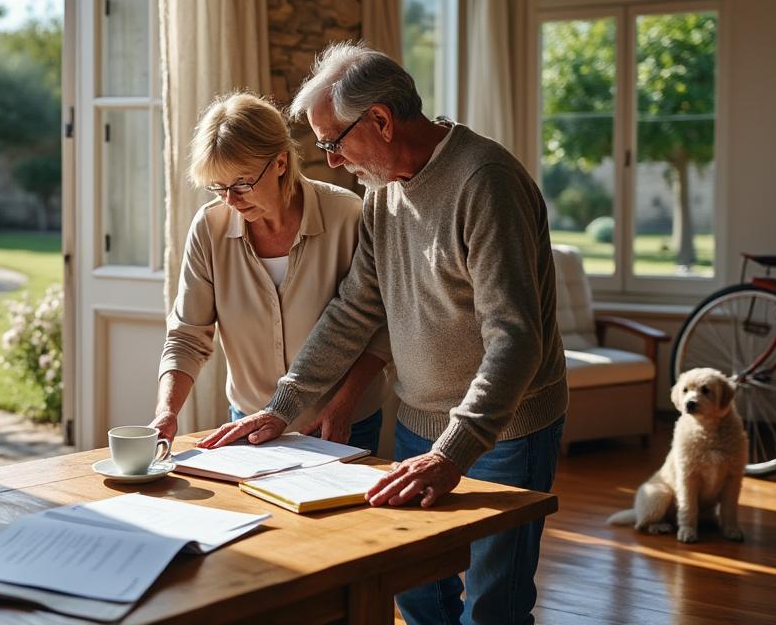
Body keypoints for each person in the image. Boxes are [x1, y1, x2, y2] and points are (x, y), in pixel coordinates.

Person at [200, 44, 568, 625]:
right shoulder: (383, 193)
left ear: (380, 120)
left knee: (494, 607)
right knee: (417, 595)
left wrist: (454, 450)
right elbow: (354, 311)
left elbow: (516, 338)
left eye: (332, 141)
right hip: (418, 424)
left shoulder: (485, 182)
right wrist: (284, 406)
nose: (332, 161)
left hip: (504, 433)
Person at [150, 92, 391, 455]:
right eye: (218, 186)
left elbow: (380, 326)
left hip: (339, 420)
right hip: (249, 422)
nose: (229, 199)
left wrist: (344, 405)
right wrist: (166, 412)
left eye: (241, 183)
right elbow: (187, 335)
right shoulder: (209, 229)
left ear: (280, 162)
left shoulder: (348, 217)